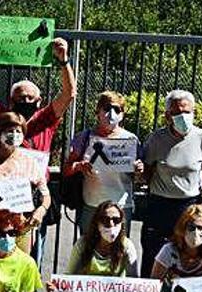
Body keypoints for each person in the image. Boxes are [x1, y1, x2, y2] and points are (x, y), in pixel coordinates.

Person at [141, 90, 202, 277]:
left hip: (189, 206)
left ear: (194, 112)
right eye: (176, 112)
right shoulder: (156, 139)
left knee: (187, 257)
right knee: (153, 255)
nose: (182, 116)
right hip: (160, 205)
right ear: (167, 115)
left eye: (187, 111)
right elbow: (148, 171)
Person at [0, 31, 75, 154]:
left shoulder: (45, 118)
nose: (26, 101)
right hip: (5, 172)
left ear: (39, 101)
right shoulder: (1, 116)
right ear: (11, 101)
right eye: (21, 98)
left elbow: (69, 94)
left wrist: (63, 60)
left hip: (35, 173)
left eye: (30, 97)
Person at [0, 112, 51, 253]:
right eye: (9, 131)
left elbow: (46, 196)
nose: (14, 135)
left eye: (18, 131)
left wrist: (41, 210)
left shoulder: (30, 162)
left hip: (20, 232)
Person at [62, 92, 144, 232]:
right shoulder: (84, 138)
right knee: (88, 248)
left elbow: (140, 177)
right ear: (97, 112)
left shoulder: (131, 140)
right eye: (106, 108)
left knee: (118, 249)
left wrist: (139, 169)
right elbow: (67, 169)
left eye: (117, 109)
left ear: (122, 114)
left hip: (121, 205)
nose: (111, 113)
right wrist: (79, 166)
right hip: (92, 205)